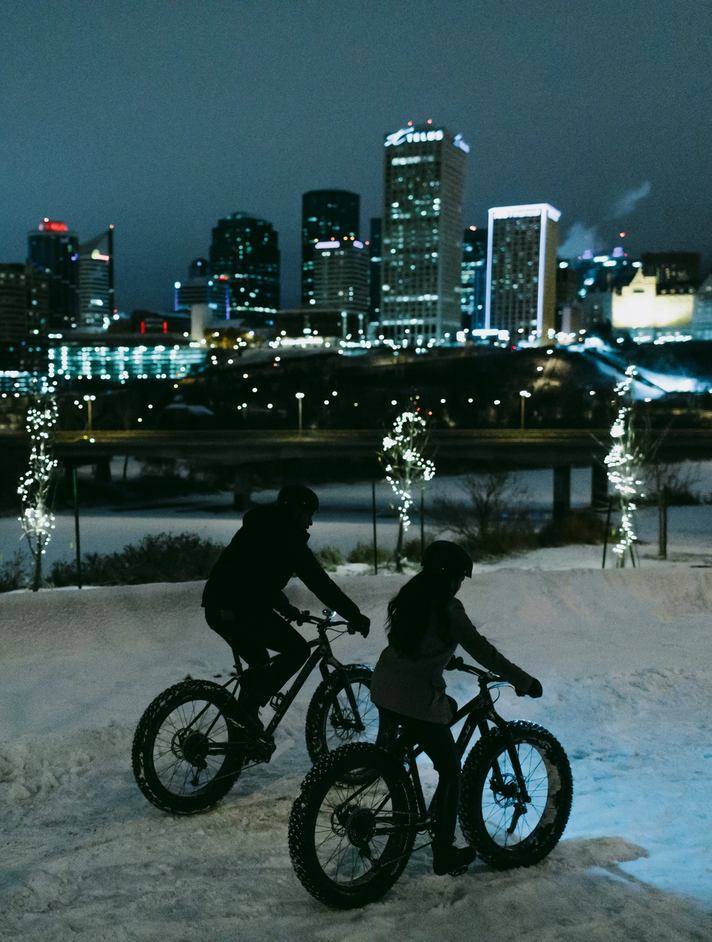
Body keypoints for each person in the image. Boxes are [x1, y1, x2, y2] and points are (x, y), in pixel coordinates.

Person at [370, 540, 542, 877]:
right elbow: (484, 651)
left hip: (383, 686)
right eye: (460, 578)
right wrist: (524, 681)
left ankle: (398, 785)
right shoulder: (449, 607)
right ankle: (444, 852)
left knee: (441, 710)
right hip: (413, 695)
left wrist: (442, 656)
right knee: (450, 770)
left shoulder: (411, 596)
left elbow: (413, 643)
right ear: (449, 577)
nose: (460, 585)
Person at [202, 484, 370, 737]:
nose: (310, 523)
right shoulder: (286, 537)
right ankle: (246, 711)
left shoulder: (263, 527)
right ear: (294, 511)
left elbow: (255, 576)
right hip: (237, 608)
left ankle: (242, 731)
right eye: (309, 515)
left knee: (259, 663)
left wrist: (285, 607)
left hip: (222, 606)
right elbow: (319, 582)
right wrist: (354, 615)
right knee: (297, 650)